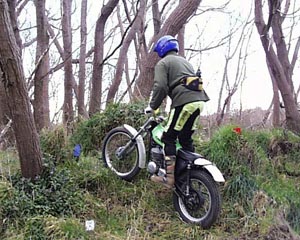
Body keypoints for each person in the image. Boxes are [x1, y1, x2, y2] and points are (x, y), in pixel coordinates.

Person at [145, 35, 210, 189]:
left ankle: (169, 178)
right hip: (199, 102)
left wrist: (153, 106)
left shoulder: (163, 63)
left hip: (184, 102)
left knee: (168, 137)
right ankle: (188, 172)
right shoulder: (185, 62)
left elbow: (160, 86)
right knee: (185, 138)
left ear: (162, 49)